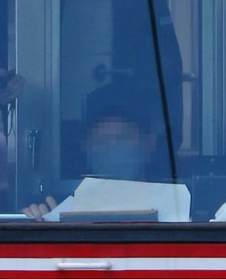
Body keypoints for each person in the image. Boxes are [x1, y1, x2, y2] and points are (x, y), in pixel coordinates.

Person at [24, 79, 170, 220]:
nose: (112, 150)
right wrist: (38, 219)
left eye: (122, 138)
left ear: (150, 140)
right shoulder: (60, 208)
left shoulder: (175, 206)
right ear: (84, 145)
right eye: (101, 142)